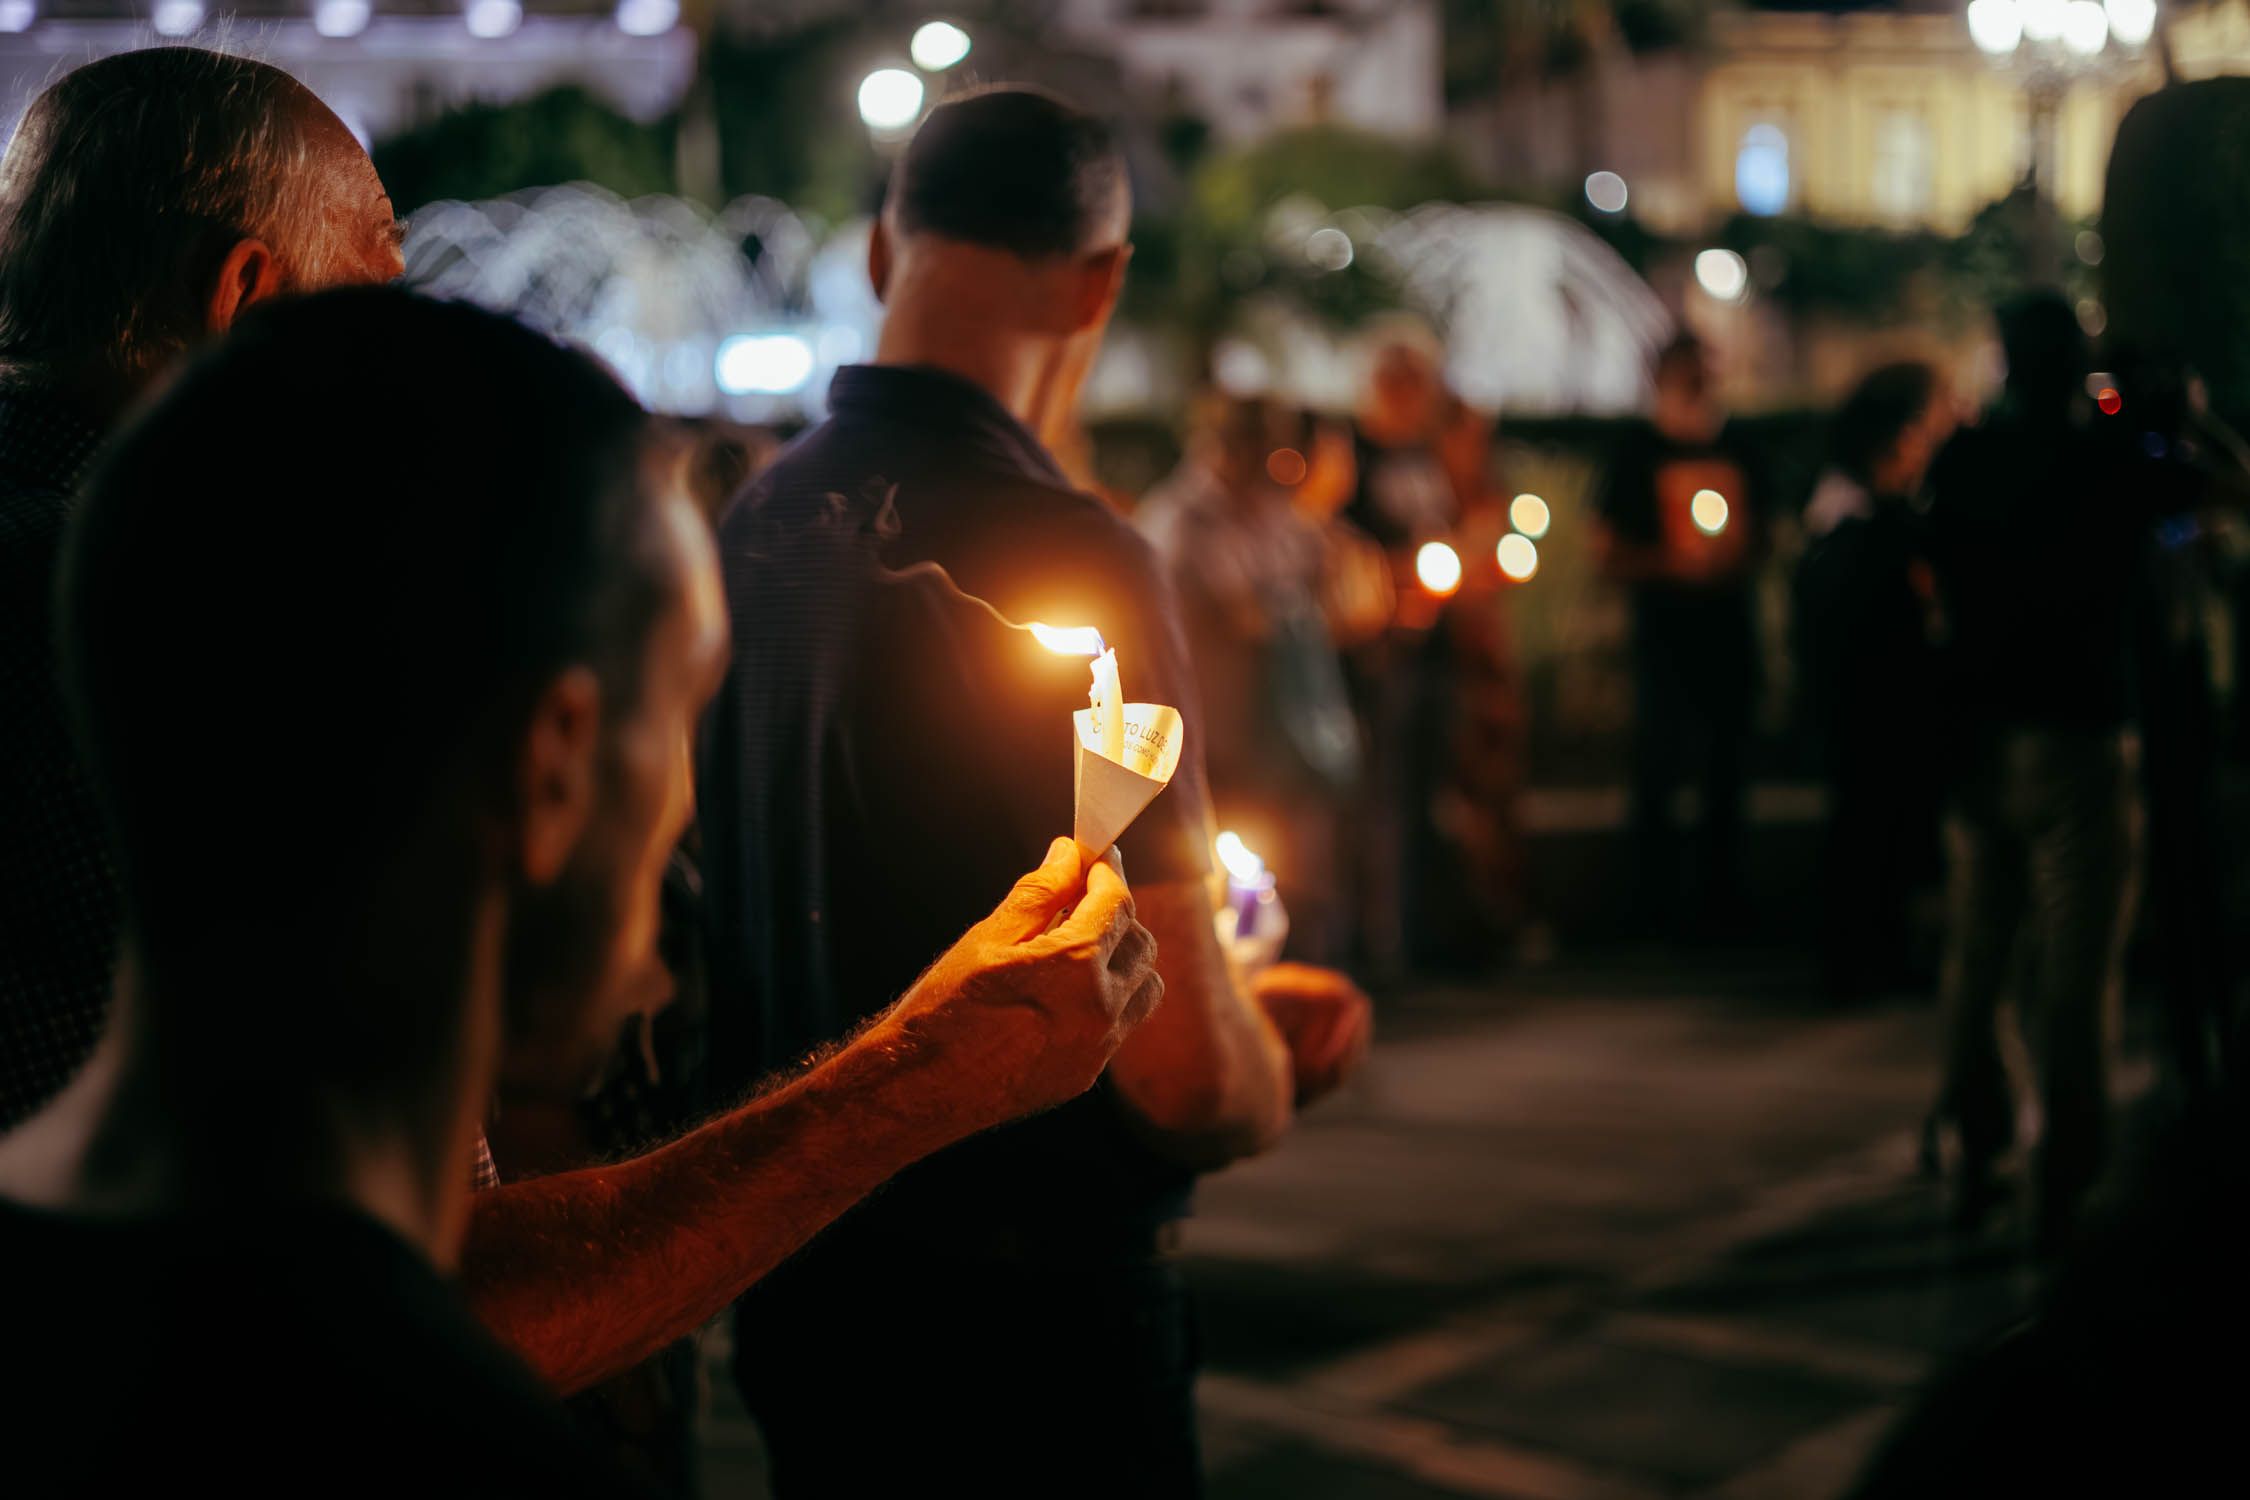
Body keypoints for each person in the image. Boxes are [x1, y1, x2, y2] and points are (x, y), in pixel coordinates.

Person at [0, 44, 1163, 1404]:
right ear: (250, 303)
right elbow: (363, 1311)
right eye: (382, 275)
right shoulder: (186, 631)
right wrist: (922, 1073)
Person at [701, 85, 1372, 1497]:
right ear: (1100, 284)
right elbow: (1181, 1070)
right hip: (1035, 1314)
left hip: (806, 1289)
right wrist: (1268, 1065)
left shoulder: (744, 528)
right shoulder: (1078, 563)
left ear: (882, 256)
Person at [1921, 292, 2137, 1249]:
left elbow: (1931, 579)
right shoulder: (2106, 461)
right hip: (2080, 740)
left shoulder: (1966, 460)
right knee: (2074, 972)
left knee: (1978, 958)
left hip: (1980, 738)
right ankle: (2069, 1179)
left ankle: (1982, 1143)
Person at [1139, 393, 1358, 959]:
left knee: (1297, 872)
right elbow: (1243, 613)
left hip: (1282, 738)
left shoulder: (1276, 515)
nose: (1272, 464)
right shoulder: (1180, 519)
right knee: (1224, 880)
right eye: (1259, 447)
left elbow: (1332, 588)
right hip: (1217, 733)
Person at [1593, 332, 1768, 937]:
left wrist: (1732, 557)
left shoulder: (1741, 445)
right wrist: (1671, 564)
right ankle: (1653, 909)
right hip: (1664, 640)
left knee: (1725, 776)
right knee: (1657, 771)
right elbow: (1608, 550)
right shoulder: (1635, 451)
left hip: (1726, 636)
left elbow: (1767, 536)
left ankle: (1723, 903)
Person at [1794, 361, 1956, 999]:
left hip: (1871, 694)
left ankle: (1871, 952)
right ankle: (1858, 956)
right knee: (1867, 822)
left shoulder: (1856, 506)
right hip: (1867, 695)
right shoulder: (1851, 514)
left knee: (1876, 822)